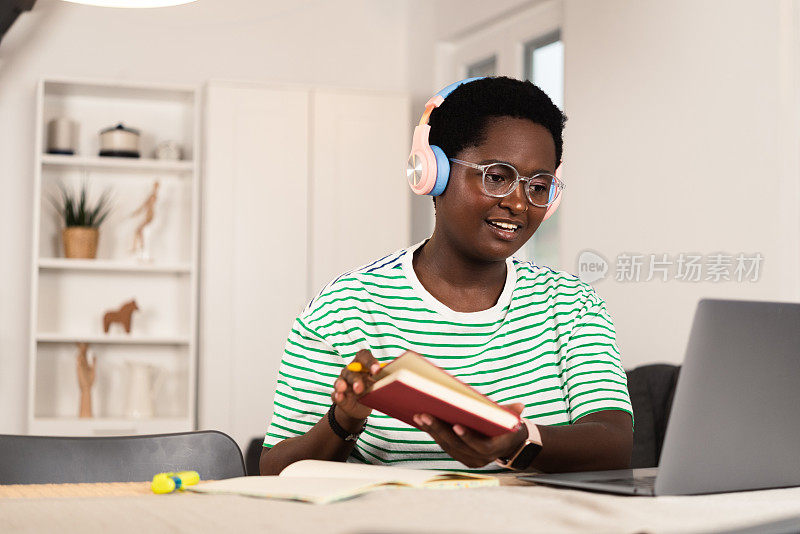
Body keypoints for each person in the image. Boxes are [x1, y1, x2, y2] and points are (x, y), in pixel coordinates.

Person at [260, 76, 632, 476]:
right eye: (496, 176)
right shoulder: (346, 305)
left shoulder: (571, 303)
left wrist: (521, 441)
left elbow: (614, 442)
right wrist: (343, 421)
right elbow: (274, 470)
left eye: (538, 186)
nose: (519, 203)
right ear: (432, 172)